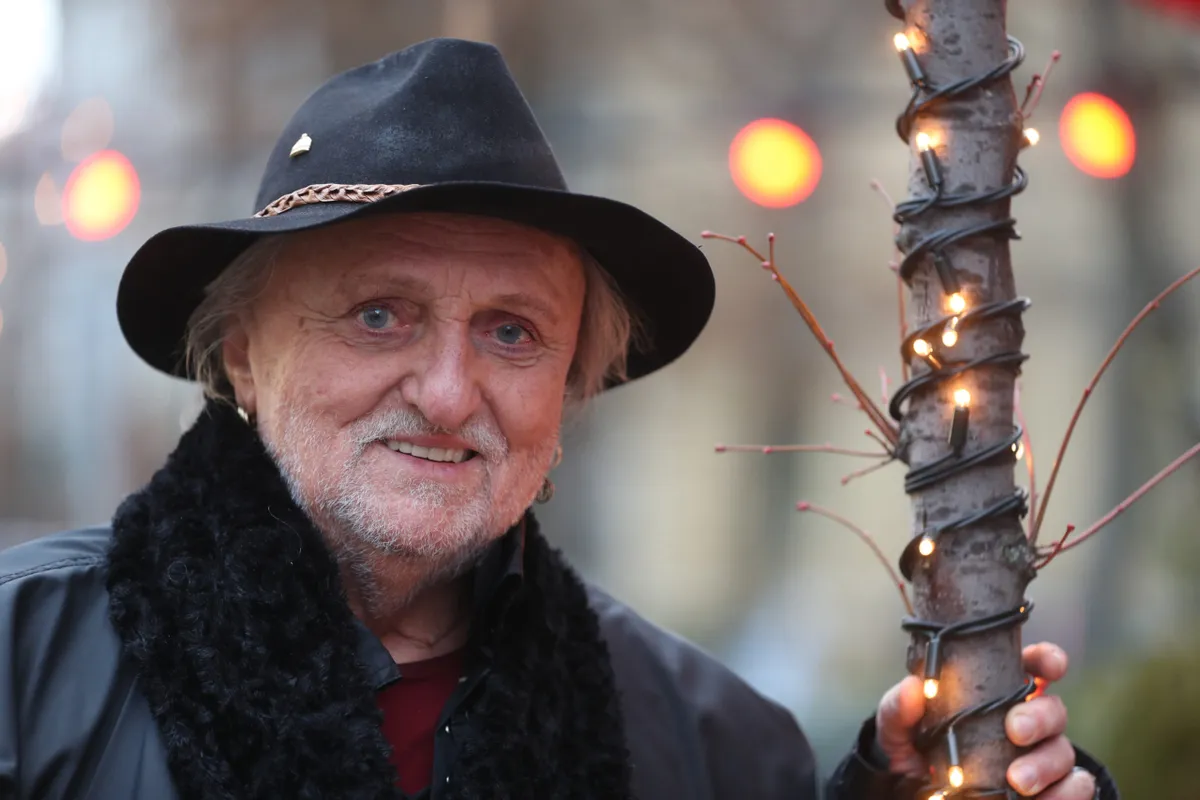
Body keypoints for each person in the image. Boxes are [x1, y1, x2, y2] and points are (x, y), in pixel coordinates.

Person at [0, 38, 1114, 799]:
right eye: (380, 315)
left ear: (572, 382)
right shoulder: (22, 662)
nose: (448, 392)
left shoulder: (712, 740)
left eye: (512, 332)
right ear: (244, 354)